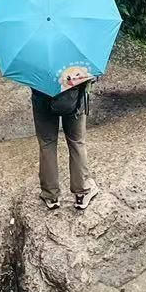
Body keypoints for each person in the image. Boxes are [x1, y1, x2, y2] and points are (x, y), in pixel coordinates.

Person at [31, 65, 97, 211]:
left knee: (47, 144)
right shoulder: (77, 46)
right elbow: (90, 74)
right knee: (76, 142)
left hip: (42, 97)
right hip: (74, 97)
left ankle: (51, 195)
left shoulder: (33, 46)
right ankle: (82, 192)